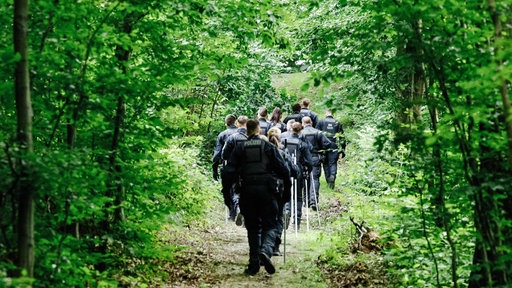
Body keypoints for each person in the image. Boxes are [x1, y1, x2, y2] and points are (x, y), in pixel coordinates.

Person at [223, 120, 292, 276]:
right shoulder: (267, 147)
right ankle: (266, 251)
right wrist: (286, 192)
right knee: (271, 224)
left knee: (253, 228)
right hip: (267, 192)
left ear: (246, 130)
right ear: (259, 130)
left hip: (247, 191)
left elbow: (228, 172)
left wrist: (227, 195)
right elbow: (284, 170)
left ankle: (253, 264)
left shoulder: (239, 148)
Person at [267, 127, 299, 256]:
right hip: (279, 189)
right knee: (278, 217)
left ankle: (264, 247)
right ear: (280, 140)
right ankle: (275, 247)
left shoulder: (263, 152)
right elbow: (294, 171)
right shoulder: (283, 153)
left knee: (265, 218)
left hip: (265, 188)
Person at [280, 122, 313, 230]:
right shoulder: (302, 144)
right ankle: (296, 221)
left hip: (285, 170)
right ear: (300, 130)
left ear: (291, 129)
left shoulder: (283, 141)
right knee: (298, 197)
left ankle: (287, 211)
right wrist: (307, 171)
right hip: (298, 170)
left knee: (286, 192)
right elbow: (309, 161)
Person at [301, 116, 335, 211]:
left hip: (304, 159)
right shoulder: (318, 132)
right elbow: (328, 143)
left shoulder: (301, 134)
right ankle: (314, 200)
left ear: (303, 124)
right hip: (315, 157)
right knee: (315, 179)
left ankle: (306, 201)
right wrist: (322, 151)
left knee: (305, 179)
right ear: (311, 122)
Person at [221, 116, 249, 225]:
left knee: (235, 190)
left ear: (237, 123)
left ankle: (237, 211)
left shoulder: (232, 138)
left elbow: (224, 154)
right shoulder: (251, 138)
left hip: (234, 168)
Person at [316, 109, 345, 189]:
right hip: (334, 145)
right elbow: (342, 137)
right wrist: (342, 150)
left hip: (323, 145)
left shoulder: (321, 122)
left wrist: (317, 147)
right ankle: (332, 176)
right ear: (333, 114)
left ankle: (328, 180)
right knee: (333, 163)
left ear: (326, 113)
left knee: (325, 163)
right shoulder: (337, 123)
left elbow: (317, 135)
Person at [212, 114, 237, 181]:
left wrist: (214, 170)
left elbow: (217, 153)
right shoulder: (243, 134)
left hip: (227, 165)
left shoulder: (223, 135)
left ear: (226, 124)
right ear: (235, 122)